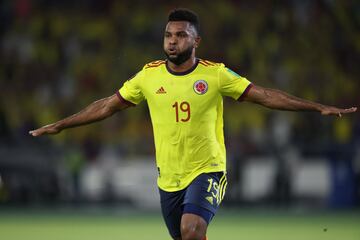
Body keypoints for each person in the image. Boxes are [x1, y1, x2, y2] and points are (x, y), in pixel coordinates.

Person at [29, 8, 357, 240]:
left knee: (191, 229)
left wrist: (316, 107)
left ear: (196, 41)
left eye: (181, 35)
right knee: (187, 235)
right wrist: (62, 125)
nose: (173, 41)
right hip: (169, 178)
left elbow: (265, 95)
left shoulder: (215, 75)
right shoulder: (149, 75)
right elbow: (107, 105)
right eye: (168, 35)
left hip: (208, 169)